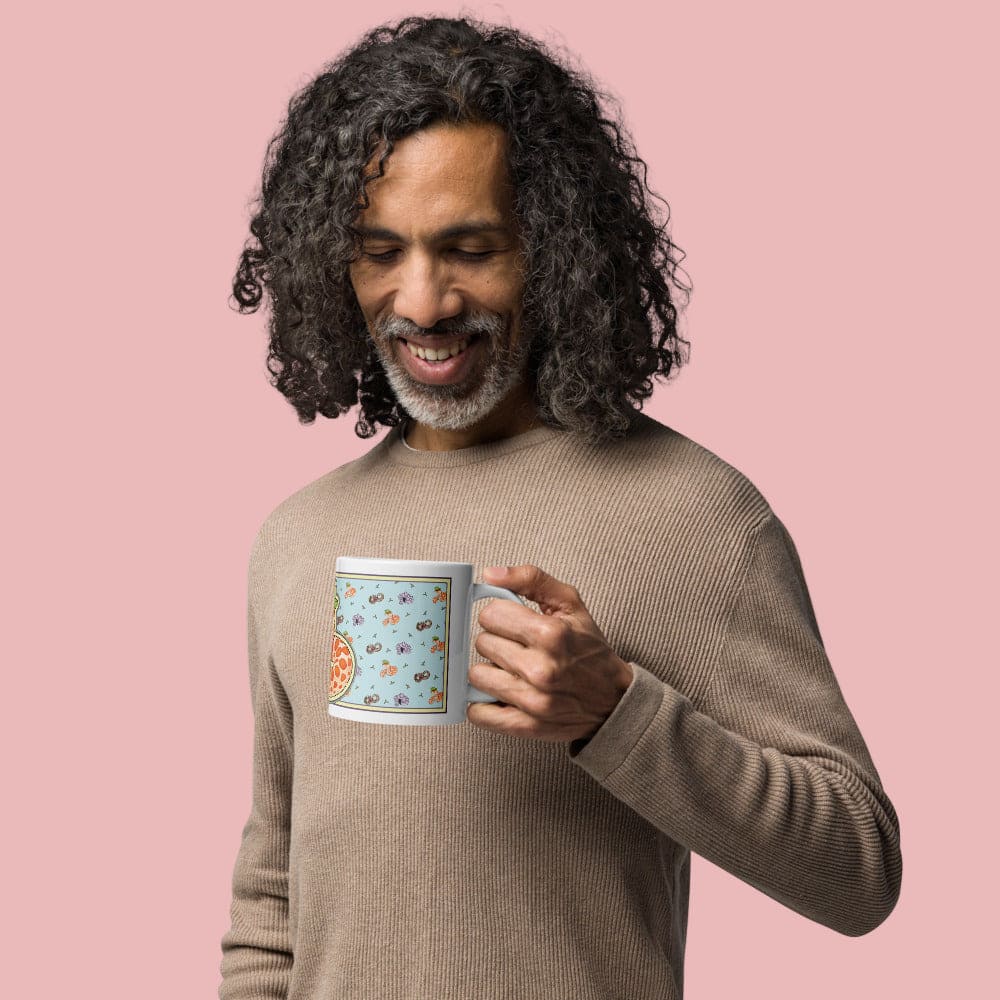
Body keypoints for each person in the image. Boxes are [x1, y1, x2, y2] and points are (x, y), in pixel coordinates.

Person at [219, 16, 902, 1000]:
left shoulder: (694, 516)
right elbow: (271, 899)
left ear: (557, 249)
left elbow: (860, 870)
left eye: (470, 248)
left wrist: (617, 713)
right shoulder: (296, 537)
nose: (424, 301)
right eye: (380, 251)